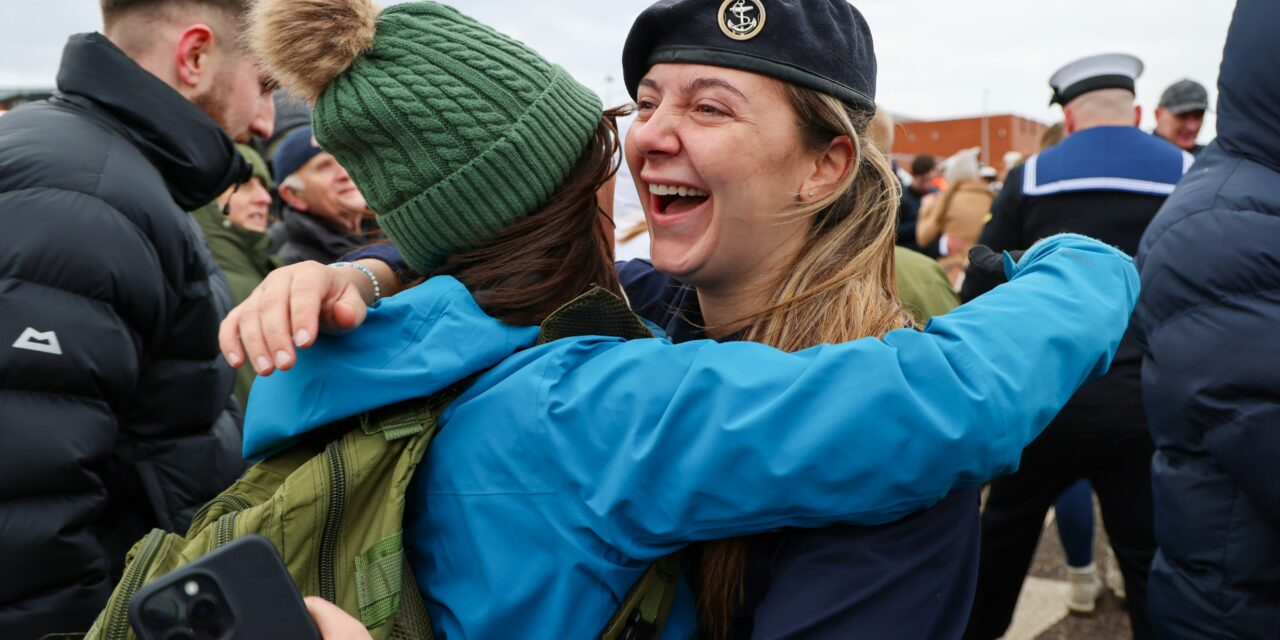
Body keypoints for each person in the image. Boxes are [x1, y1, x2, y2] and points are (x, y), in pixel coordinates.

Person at [231, 0, 1138, 637]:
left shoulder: (896, 468)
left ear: (823, 166)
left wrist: (370, 272)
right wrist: (367, 271)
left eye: (709, 106)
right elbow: (499, 255)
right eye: (649, 100)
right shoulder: (635, 325)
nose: (651, 134)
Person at [0, 0, 267, 634]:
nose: (263, 121)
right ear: (196, 57)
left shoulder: (104, 170)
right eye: (264, 82)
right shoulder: (86, 195)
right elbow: (24, 505)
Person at [960, 53, 1191, 640]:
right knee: (1147, 560)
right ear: (1137, 111)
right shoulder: (1188, 172)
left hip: (1047, 401)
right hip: (1144, 403)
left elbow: (981, 280)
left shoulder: (1034, 174)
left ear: (1068, 115)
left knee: (1001, 544)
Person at [1134, 0, 1280, 636]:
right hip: (1239, 604)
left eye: (1197, 116)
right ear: (1153, 117)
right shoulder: (1218, 215)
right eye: (1181, 116)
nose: (1190, 127)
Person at [194, 143, 282, 405]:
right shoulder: (204, 288)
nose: (264, 198)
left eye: (264, 187)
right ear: (206, 198)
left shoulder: (275, 273)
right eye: (244, 185)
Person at [270, 126, 374, 264]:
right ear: (294, 195)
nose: (345, 173)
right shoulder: (296, 265)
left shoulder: (394, 227)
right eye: (324, 166)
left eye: (346, 159)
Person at [915, 147, 994, 287]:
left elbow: (923, 237)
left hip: (951, 271)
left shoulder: (946, 199)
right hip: (985, 271)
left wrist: (925, 209)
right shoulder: (991, 198)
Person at [1152, 78, 1208, 156]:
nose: (1192, 127)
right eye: (1183, 116)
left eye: (1198, 116)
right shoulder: (1139, 154)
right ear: (1158, 115)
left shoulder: (1213, 160)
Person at [897, 154, 939, 254]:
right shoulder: (902, 197)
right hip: (909, 253)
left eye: (931, 180)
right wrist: (922, 218)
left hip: (932, 254)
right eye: (924, 181)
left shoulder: (935, 193)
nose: (927, 185)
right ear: (915, 176)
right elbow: (896, 232)